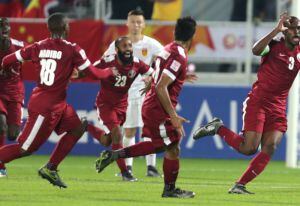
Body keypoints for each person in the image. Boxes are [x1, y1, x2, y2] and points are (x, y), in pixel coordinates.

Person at [0, 12, 116, 188]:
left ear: (49, 28)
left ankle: (51, 168)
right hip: (45, 107)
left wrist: (3, 68)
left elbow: (8, 59)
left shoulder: (37, 46)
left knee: (78, 128)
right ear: (65, 28)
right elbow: (92, 73)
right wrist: (109, 72)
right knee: (25, 148)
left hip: (55, 103)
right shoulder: (72, 49)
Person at [193, 13, 300, 194]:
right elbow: (255, 50)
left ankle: (239, 185)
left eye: (299, 29)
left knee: (271, 146)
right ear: (285, 31)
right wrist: (275, 30)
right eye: (293, 28)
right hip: (258, 102)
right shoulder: (273, 46)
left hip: (279, 106)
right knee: (249, 148)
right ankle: (218, 128)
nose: (297, 31)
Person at [94, 16, 198, 198]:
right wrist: (173, 116)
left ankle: (115, 155)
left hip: (152, 105)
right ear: (192, 37)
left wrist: (180, 77)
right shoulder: (179, 55)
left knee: (160, 147)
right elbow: (161, 86)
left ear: (175, 31)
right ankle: (169, 189)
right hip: (159, 109)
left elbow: (157, 76)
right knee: (173, 147)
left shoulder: (167, 49)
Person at [104, 9, 163, 177]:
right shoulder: (118, 43)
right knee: (128, 131)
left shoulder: (152, 45)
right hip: (125, 95)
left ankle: (151, 168)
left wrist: (152, 76)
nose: (136, 25)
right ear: (127, 23)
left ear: (144, 25)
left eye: (139, 22)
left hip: (146, 94)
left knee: (149, 130)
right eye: (133, 21)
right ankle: (128, 167)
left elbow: (163, 62)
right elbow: (105, 61)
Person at [86, 36, 154, 181]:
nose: (128, 48)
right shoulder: (108, 61)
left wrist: (150, 81)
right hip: (105, 105)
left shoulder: (136, 63)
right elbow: (90, 69)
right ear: (117, 50)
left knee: (107, 141)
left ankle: (86, 126)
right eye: (124, 46)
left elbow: (152, 73)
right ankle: (125, 173)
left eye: (130, 45)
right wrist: (76, 73)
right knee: (118, 135)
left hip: (122, 106)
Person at [0, 17, 26, 178]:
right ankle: (0, 167)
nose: (4, 29)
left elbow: (37, 57)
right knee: (0, 125)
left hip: (15, 93)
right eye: (1, 27)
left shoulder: (19, 46)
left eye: (6, 26)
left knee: (12, 134)